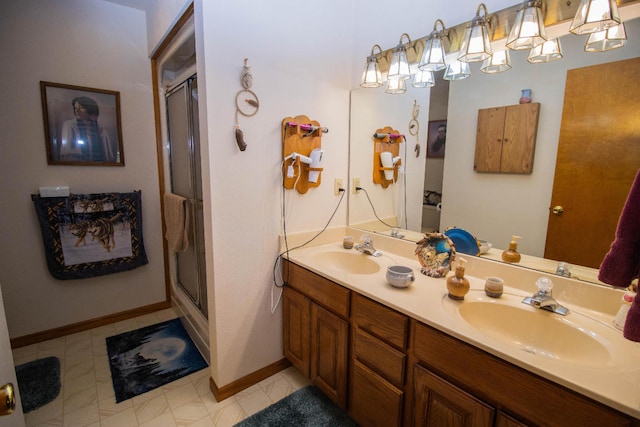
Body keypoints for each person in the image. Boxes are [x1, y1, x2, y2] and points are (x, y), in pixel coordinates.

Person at [59, 96, 114, 162]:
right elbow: (67, 154)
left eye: (81, 107)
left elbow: (108, 158)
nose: (76, 110)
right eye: (76, 108)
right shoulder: (69, 125)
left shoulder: (102, 131)